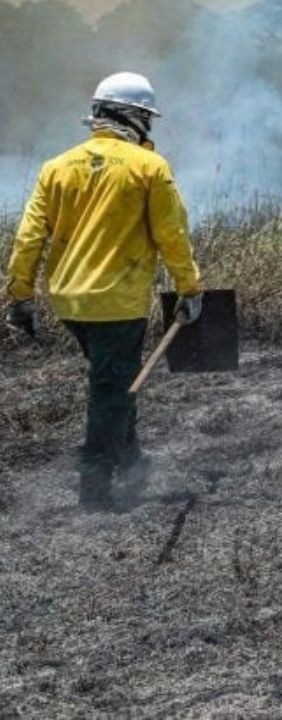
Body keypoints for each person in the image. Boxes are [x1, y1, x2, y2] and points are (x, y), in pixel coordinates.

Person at [6, 73, 204, 512]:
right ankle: (95, 488)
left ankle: (132, 461)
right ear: (133, 117)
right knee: (111, 391)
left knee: (114, 381)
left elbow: (28, 239)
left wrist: (20, 296)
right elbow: (171, 234)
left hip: (70, 302)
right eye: (146, 119)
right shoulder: (149, 167)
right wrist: (189, 287)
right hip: (118, 302)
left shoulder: (56, 168)